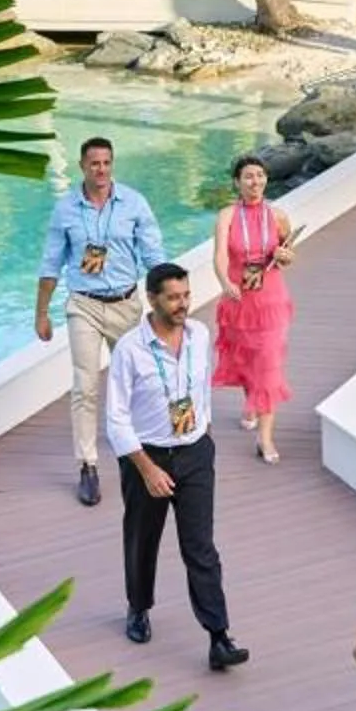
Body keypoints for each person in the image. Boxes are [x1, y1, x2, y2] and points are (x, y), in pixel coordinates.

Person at [103, 260, 248, 671]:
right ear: (152, 300)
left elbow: (200, 390)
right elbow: (115, 419)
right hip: (146, 457)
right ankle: (138, 607)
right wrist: (147, 469)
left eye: (186, 295)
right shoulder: (130, 350)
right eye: (173, 297)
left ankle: (219, 636)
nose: (183, 304)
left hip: (195, 453)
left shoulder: (200, 335)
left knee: (200, 546)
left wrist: (202, 436)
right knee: (142, 539)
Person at [36, 136, 164, 507]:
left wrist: (166, 301)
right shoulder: (65, 210)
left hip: (126, 303)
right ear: (82, 166)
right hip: (84, 306)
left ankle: (143, 450)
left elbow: (154, 254)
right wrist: (41, 313)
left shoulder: (134, 203)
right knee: (85, 385)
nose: (102, 169)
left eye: (107, 162)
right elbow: (50, 263)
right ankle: (88, 465)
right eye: (94, 163)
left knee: (138, 381)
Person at [212, 154, 298, 465]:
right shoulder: (227, 216)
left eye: (260, 175)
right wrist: (224, 280)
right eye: (248, 176)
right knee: (246, 357)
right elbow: (220, 255)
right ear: (237, 181)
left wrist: (285, 256)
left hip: (271, 302)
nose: (255, 182)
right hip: (238, 300)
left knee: (269, 363)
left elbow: (288, 254)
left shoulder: (277, 215)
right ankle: (250, 402)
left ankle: (265, 438)